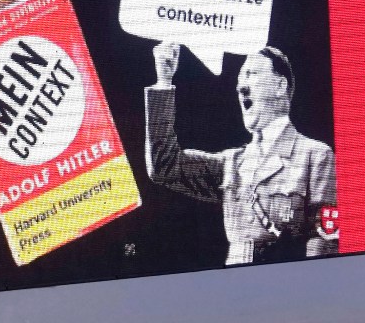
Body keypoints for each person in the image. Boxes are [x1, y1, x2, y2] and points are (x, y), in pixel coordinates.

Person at [145, 41, 338, 265]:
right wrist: (164, 80)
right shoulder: (232, 163)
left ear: (279, 86)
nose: (241, 87)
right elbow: (164, 167)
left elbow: (324, 241)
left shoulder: (315, 156)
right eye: (240, 79)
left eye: (251, 74)